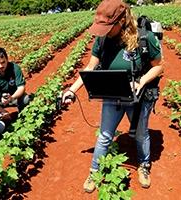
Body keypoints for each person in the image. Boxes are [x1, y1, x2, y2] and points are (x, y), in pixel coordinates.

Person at [62, 0, 163, 193]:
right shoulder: (101, 39)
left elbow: (159, 66)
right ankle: (94, 171)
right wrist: (71, 90)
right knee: (104, 136)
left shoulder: (144, 38)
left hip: (137, 97)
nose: (104, 31)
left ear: (122, 20)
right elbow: (90, 67)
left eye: (108, 26)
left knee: (141, 135)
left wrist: (141, 82)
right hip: (112, 95)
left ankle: (144, 165)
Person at [0, 47, 31, 115]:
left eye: (3, 62)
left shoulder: (15, 68)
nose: (1, 66)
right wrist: (2, 110)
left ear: (7, 59)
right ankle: (0, 120)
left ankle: (23, 116)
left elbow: (21, 88)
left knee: (26, 99)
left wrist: (12, 98)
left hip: (14, 97)